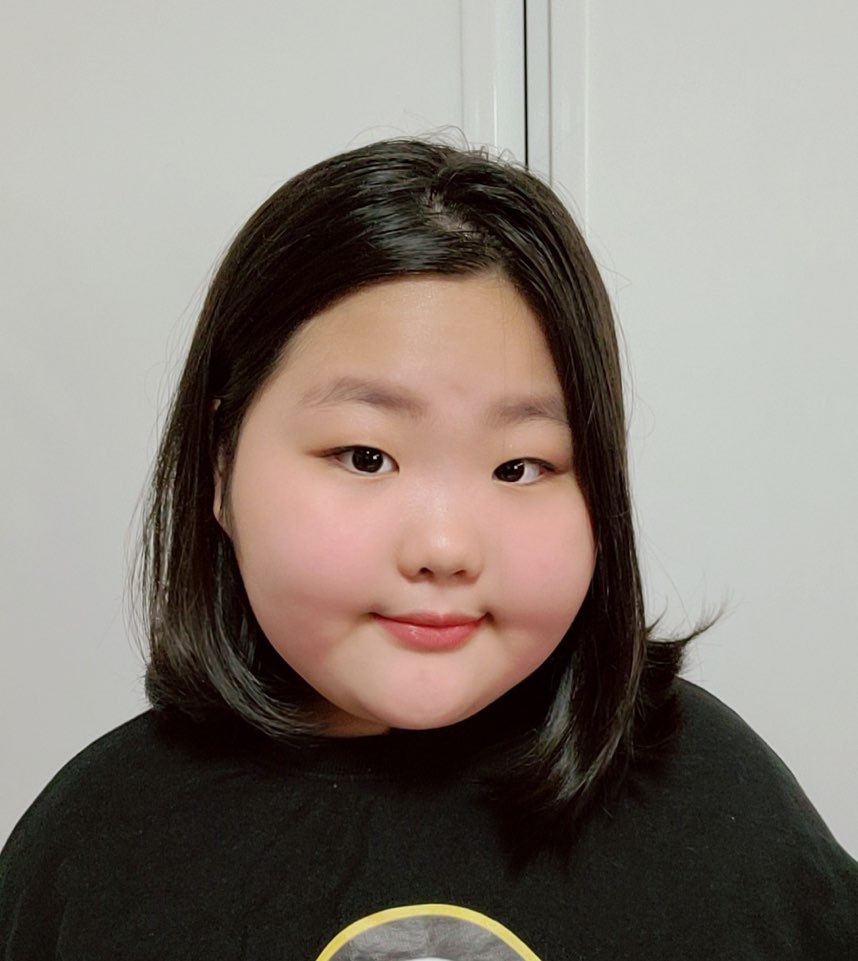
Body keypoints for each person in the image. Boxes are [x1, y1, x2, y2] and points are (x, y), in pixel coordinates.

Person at [1, 139, 855, 960]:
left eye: (520, 467)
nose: (445, 547)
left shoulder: (713, 797)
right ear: (221, 465)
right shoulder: (101, 841)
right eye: (365, 456)